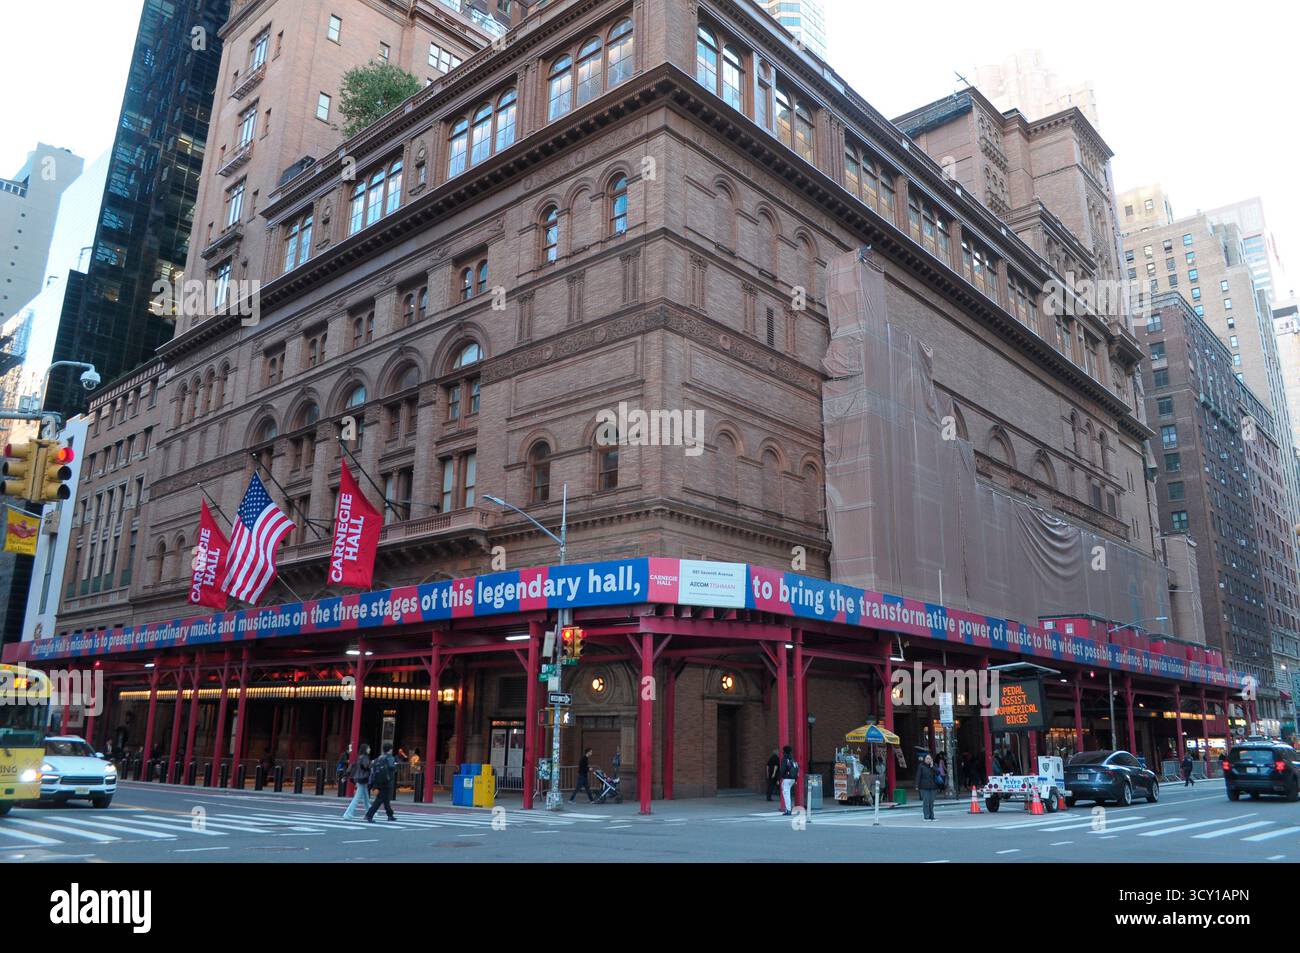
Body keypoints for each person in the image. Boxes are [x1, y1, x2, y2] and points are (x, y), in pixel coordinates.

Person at [365, 742, 399, 822]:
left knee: (386, 799)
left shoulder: (379, 758)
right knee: (379, 799)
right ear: (390, 750)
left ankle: (390, 815)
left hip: (378, 780)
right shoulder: (390, 758)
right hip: (387, 781)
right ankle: (369, 815)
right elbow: (392, 767)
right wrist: (395, 765)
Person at [342, 744, 372, 820]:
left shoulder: (359, 757)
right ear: (365, 749)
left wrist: (346, 776)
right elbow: (366, 767)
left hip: (360, 778)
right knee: (357, 797)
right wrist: (372, 764)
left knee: (366, 797)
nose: (369, 749)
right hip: (363, 779)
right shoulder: (365, 757)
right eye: (368, 748)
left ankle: (370, 812)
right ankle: (348, 813)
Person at [917, 753, 939, 820]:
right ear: (924, 759)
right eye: (927, 758)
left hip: (933, 787)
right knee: (926, 802)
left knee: (931, 802)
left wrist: (933, 767)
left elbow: (938, 773)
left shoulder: (934, 765)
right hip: (924, 787)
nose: (928, 760)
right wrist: (917, 785)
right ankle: (926, 816)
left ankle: (932, 816)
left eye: (930, 758)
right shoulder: (921, 766)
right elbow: (918, 776)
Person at [779, 745, 799, 815]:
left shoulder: (785, 759)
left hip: (787, 778)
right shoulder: (792, 759)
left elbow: (782, 770)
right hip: (793, 779)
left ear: (784, 751)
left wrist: (780, 777)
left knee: (786, 794)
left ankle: (788, 810)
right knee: (786, 792)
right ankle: (788, 809)